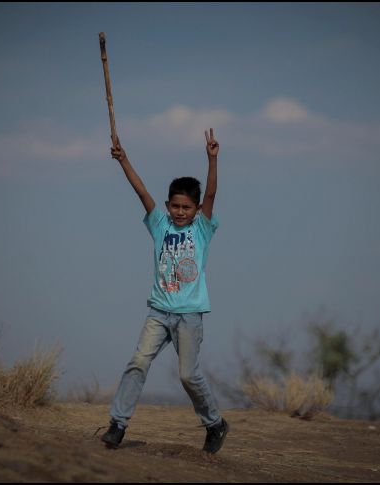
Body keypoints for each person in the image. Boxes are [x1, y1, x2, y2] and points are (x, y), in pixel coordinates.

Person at [100, 128, 229, 454]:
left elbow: (212, 194)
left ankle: (214, 423)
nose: (180, 212)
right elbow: (141, 191)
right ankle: (117, 423)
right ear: (168, 205)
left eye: (187, 207)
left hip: (189, 314)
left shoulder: (202, 228)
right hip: (159, 310)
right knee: (138, 361)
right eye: (175, 206)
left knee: (188, 375)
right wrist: (123, 160)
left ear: (196, 209)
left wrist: (212, 160)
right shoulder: (160, 224)